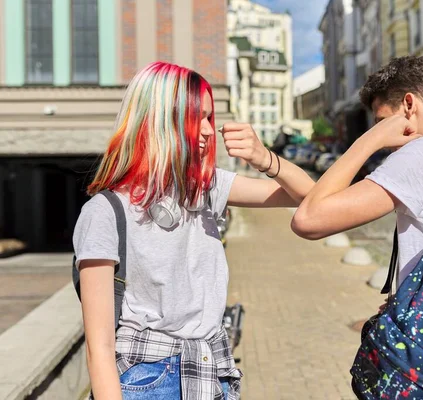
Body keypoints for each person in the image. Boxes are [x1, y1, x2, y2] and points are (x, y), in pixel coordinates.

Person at [73, 61, 314, 400]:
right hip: (147, 379)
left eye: (209, 118)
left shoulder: (206, 188)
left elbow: (309, 197)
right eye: (195, 117)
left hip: (210, 367)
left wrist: (265, 159)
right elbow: (99, 347)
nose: (206, 130)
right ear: (158, 119)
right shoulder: (105, 213)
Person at [292, 55, 423, 292]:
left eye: (381, 120)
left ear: (408, 105)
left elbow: (308, 220)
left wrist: (369, 140)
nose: (383, 135)